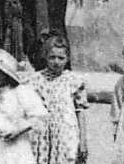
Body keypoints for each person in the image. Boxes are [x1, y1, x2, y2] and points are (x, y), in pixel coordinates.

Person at [0, 48, 48, 164]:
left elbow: (39, 117)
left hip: (17, 147)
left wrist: (18, 131)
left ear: (4, 75)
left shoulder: (21, 92)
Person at [29, 36, 87, 164]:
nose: (56, 62)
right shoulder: (36, 80)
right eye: (52, 57)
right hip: (42, 135)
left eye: (61, 58)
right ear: (45, 57)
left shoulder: (74, 81)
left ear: (68, 58)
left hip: (66, 134)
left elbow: (80, 112)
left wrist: (83, 141)